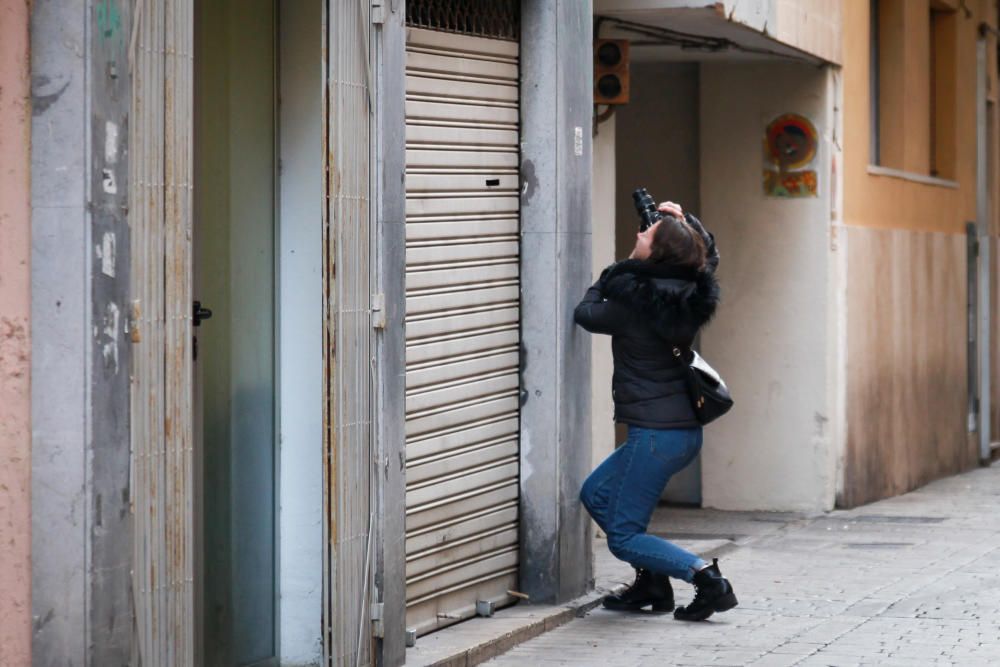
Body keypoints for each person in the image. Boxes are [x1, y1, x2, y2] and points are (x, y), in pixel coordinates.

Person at [574, 201, 737, 622]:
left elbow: (586, 313)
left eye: (647, 235)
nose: (640, 235)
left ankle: (704, 577)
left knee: (624, 537)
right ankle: (650, 583)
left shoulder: (633, 303)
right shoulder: (690, 292)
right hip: (678, 432)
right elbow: (706, 258)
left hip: (654, 436)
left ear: (656, 252)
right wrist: (683, 224)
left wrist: (614, 272)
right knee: (596, 493)